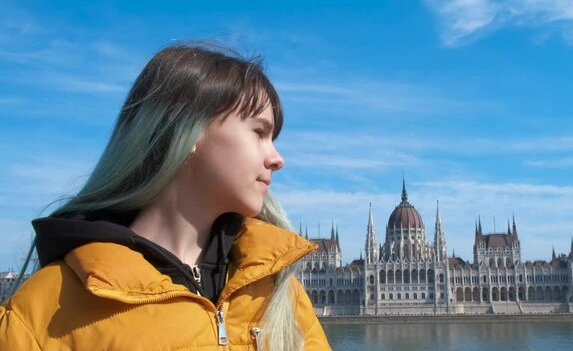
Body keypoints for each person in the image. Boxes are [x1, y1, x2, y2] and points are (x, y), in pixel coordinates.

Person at [0, 42, 331, 350]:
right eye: (259, 132)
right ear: (184, 132)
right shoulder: (39, 313)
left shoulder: (281, 293)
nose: (278, 158)